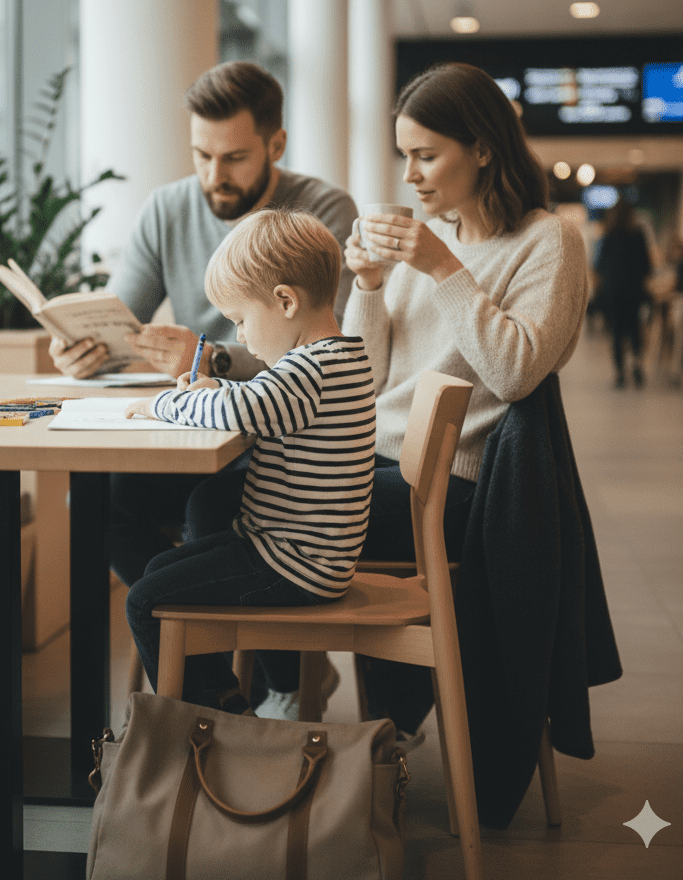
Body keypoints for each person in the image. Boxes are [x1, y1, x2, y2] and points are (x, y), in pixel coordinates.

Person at [187, 61, 589, 728]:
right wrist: (370, 286)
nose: (410, 175)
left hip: (449, 490)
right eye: (404, 156)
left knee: (231, 513)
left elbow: (516, 372)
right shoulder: (427, 245)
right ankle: (274, 688)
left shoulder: (547, 243)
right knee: (209, 498)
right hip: (367, 463)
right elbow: (365, 377)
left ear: (483, 149)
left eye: (426, 155)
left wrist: (441, 268)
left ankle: (283, 697)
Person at [49, 61, 358, 589]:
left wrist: (210, 358)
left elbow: (327, 343)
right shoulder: (168, 207)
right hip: (204, 423)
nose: (215, 176)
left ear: (276, 144)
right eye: (203, 155)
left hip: (283, 447)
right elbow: (123, 319)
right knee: (95, 502)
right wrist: (84, 347)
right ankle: (195, 661)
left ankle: (265, 668)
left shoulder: (321, 212)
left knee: (208, 508)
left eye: (235, 158)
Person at [122, 209, 375, 714]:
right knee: (158, 571)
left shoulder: (307, 371)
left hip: (292, 564)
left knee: (145, 598)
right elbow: (260, 398)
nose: (239, 338)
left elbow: (249, 406)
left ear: (284, 301)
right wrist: (219, 387)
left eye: (240, 319)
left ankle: (216, 725)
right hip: (300, 555)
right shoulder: (338, 357)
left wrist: (163, 402)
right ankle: (220, 702)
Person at [593, 197, 652, 388]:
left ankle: (619, 373)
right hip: (634, 292)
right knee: (635, 328)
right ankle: (636, 365)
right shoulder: (638, 235)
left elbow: (599, 266)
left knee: (617, 332)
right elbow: (647, 266)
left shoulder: (608, 236)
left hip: (613, 292)